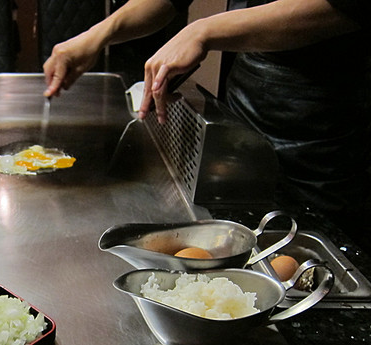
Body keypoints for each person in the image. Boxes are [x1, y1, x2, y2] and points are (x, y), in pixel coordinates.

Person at [43, 0, 371, 218]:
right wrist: (98, 35)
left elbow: (343, 7)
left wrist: (203, 30)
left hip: (330, 127)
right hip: (247, 102)